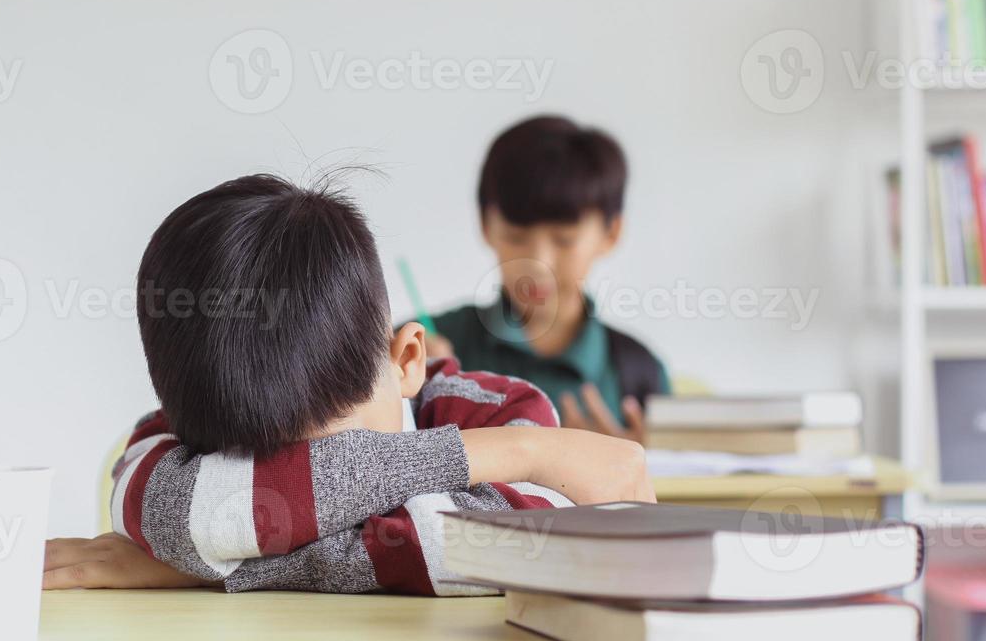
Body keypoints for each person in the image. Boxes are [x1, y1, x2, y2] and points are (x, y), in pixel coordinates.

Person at [44, 173, 654, 595]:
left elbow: (526, 547)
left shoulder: (500, 412)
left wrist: (218, 561)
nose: (313, 480)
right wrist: (509, 459)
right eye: (275, 471)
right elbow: (169, 510)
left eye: (343, 448)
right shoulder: (183, 424)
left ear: (406, 359)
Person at [427, 115, 670, 444]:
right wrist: (413, 391)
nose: (538, 263)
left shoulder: (641, 374)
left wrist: (640, 462)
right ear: (485, 225)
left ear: (611, 233)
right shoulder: (421, 348)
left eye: (564, 240)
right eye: (516, 236)